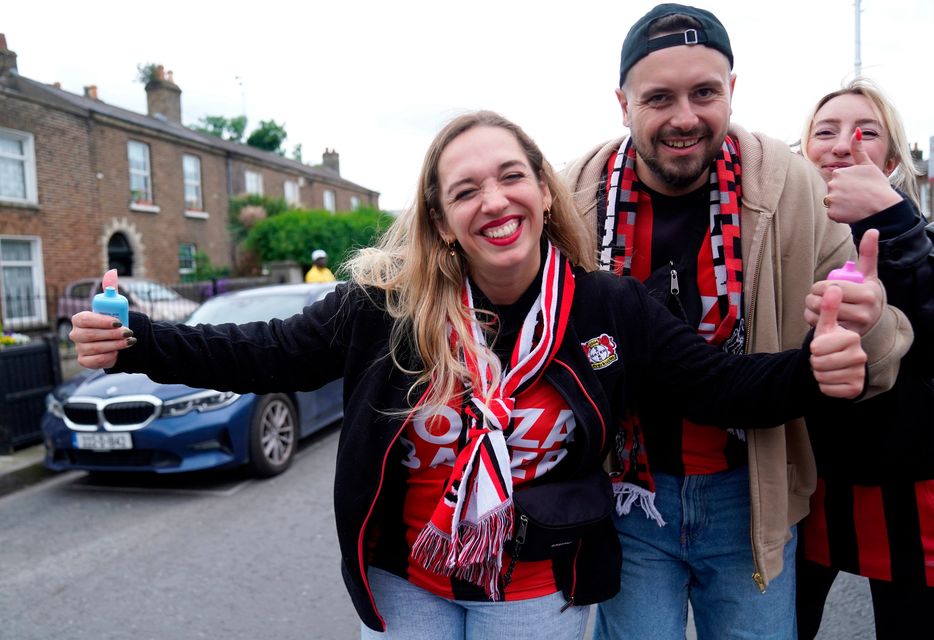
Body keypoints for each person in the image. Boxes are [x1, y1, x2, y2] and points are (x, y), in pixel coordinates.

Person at [71, 111, 867, 640]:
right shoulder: (385, 307)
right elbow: (261, 351)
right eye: (466, 190)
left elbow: (718, 387)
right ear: (442, 222)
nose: (495, 200)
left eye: (511, 176)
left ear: (544, 195)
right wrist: (136, 340)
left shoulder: (609, 309)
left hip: (536, 580)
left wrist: (815, 371)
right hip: (408, 576)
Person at [562, 5, 912, 639]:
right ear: (622, 103)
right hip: (626, 498)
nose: (685, 116)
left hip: (750, 499)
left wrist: (867, 327)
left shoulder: (792, 188)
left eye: (704, 92)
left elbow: (881, 349)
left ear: (732, 91)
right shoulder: (576, 200)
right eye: (659, 97)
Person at [796, 78, 934, 639]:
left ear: (894, 158)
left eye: (865, 132)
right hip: (808, 485)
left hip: (905, 486)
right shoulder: (782, 236)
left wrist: (898, 222)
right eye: (823, 132)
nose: (840, 144)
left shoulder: (917, 236)